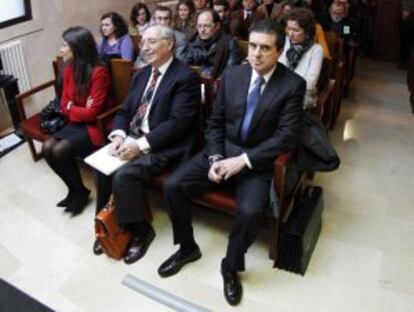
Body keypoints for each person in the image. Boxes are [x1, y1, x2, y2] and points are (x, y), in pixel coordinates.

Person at [159, 19, 305, 306]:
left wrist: (244, 161)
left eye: (265, 48)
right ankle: (187, 248)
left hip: (256, 162)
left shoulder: (292, 85)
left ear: (279, 51)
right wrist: (215, 157)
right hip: (221, 151)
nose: (256, 54)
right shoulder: (235, 75)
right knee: (174, 185)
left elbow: (286, 137)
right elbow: (214, 123)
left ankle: (230, 267)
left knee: (251, 212)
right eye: (252, 46)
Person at [93, 25, 201, 263]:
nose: (145, 47)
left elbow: (177, 124)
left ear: (170, 44)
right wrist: (119, 135)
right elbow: (126, 110)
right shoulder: (142, 73)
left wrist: (139, 145)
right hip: (133, 137)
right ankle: (108, 224)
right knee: (102, 167)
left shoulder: (185, 77)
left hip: (165, 145)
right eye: (143, 42)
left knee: (124, 176)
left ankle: (142, 231)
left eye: (152, 42)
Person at [42, 26, 114, 215]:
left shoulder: (99, 72)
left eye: (65, 46)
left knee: (59, 150)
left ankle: (80, 192)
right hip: (76, 124)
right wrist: (76, 108)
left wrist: (72, 108)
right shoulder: (68, 70)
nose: (61, 50)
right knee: (47, 147)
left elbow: (93, 114)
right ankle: (76, 189)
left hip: (94, 127)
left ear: (78, 48)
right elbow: (64, 103)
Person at [279, 8, 323, 109]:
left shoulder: (316, 49)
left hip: (302, 95)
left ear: (307, 32)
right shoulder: (284, 41)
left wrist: (284, 88)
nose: (290, 34)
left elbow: (310, 84)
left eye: (296, 30)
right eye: (289, 28)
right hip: (279, 89)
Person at [187, 9, 243, 78]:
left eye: (206, 26)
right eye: (199, 26)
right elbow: (186, 67)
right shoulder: (193, 42)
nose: (202, 30)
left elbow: (232, 72)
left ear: (217, 26)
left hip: (220, 84)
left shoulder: (230, 43)